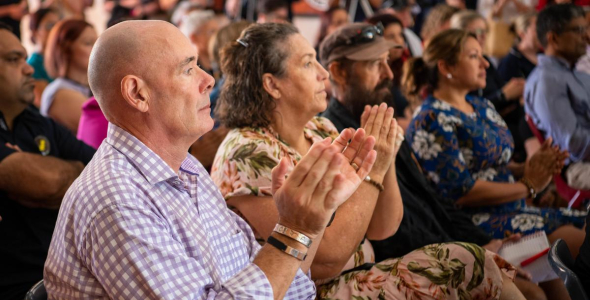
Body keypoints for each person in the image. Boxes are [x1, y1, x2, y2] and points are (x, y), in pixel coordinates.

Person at [44, 19, 377, 299]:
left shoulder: (186, 171)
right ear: (137, 94)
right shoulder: (116, 198)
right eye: (188, 69)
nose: (208, 80)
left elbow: (278, 283)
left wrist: (311, 219)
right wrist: (293, 228)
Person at [211, 22, 524, 300]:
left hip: (361, 271)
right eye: (308, 64)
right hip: (313, 291)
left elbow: (382, 228)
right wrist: (374, 167)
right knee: (471, 263)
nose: (323, 73)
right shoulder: (246, 151)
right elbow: (326, 259)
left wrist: (382, 156)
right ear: (272, 84)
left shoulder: (320, 128)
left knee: (481, 263)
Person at [318, 23, 547, 300]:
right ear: (339, 72)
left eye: (386, 63)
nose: (388, 74)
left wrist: (479, 242)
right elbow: (392, 235)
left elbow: (432, 201)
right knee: (532, 291)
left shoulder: (380, 123)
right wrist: (473, 251)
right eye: (374, 64)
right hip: (407, 262)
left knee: (545, 273)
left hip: (446, 245)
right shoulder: (336, 139)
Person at [0, 24, 95, 300]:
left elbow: (103, 173)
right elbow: (47, 183)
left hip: (66, 277)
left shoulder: (36, 121)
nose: (29, 69)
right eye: (13, 60)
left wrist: (59, 179)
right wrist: (69, 176)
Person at [525, 4, 590, 190]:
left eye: (585, 29)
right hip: (578, 167)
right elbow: (574, 144)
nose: (586, 36)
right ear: (553, 38)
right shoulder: (547, 81)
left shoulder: (577, 74)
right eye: (578, 30)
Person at [451, 10, 529, 163]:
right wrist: (503, 96)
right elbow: (468, 106)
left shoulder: (486, 61)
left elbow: (501, 92)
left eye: (485, 31)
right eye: (478, 32)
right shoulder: (460, 67)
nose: (484, 36)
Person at [40, 19, 97, 134]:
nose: (96, 49)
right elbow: (103, 130)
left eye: (97, 43)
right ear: (66, 49)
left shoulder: (89, 87)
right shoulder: (60, 92)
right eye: (88, 43)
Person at [27, 8, 60, 108]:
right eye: (50, 26)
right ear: (35, 32)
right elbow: (45, 106)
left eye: (58, 26)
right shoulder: (32, 66)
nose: (55, 31)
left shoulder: (59, 61)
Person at [179, 10, 222, 75]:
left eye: (218, 31)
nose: (217, 36)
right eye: (212, 32)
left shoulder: (219, 63)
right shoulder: (189, 71)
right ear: (194, 38)